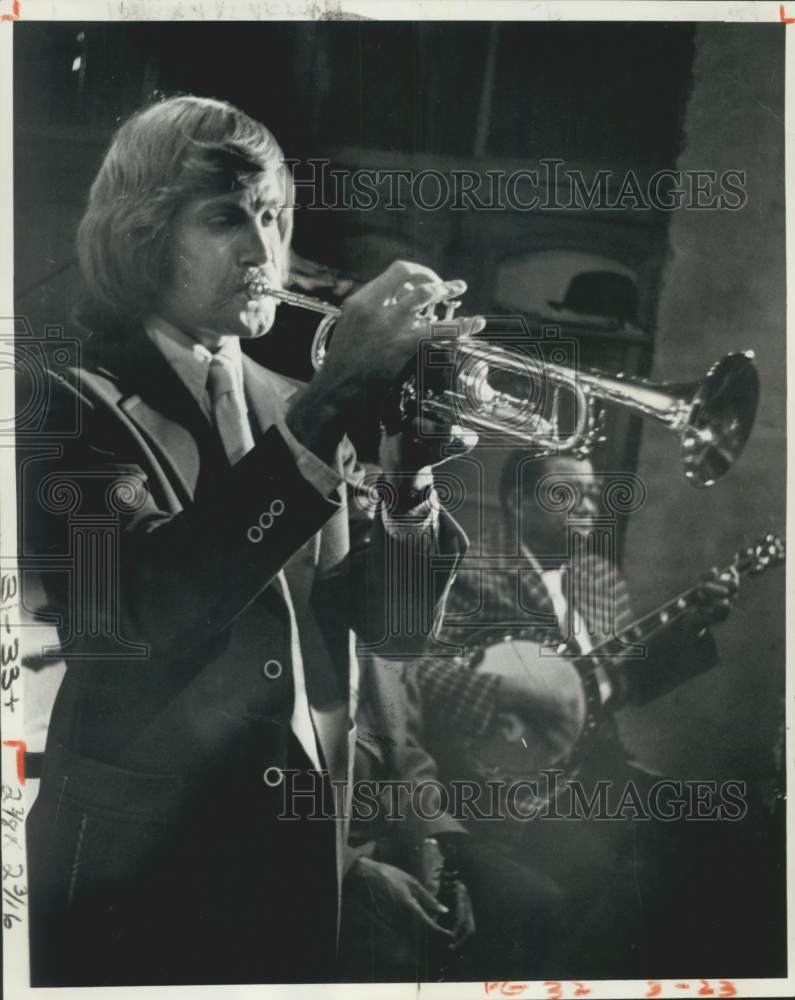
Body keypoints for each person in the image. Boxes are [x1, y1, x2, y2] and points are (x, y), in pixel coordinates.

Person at [21, 95, 483, 987]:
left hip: (296, 869)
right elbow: (152, 608)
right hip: (131, 880)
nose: (263, 249)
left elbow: (387, 632)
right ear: (143, 231)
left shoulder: (287, 401)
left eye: (273, 216)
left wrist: (408, 481)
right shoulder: (59, 399)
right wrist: (328, 406)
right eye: (226, 215)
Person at [402, 449, 740, 977]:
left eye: (591, 495)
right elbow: (422, 675)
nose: (586, 507)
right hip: (511, 785)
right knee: (603, 873)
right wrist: (514, 693)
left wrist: (691, 627)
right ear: (517, 502)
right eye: (567, 494)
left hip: (598, 764)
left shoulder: (599, 579)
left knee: (711, 840)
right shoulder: (472, 570)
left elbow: (621, 686)